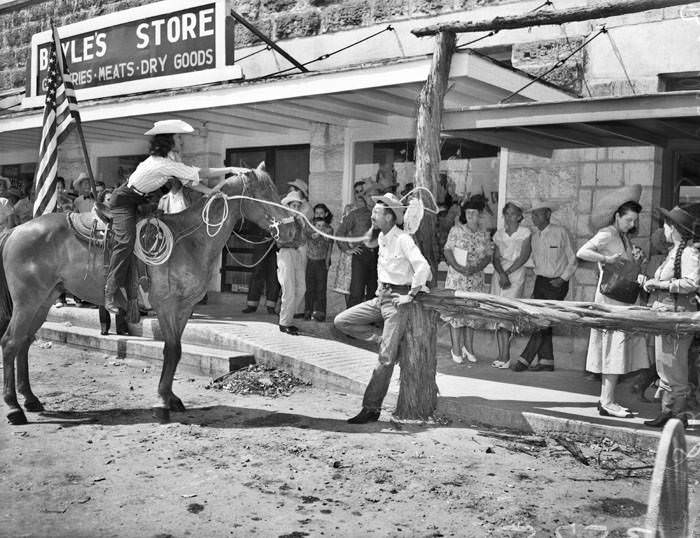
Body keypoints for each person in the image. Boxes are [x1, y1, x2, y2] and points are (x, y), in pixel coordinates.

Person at [104, 119, 240, 314]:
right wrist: (229, 169)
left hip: (139, 200)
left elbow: (189, 182)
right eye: (178, 137)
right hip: (124, 200)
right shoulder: (162, 164)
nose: (181, 141)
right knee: (126, 241)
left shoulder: (168, 163)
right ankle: (110, 290)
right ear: (169, 140)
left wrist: (211, 192)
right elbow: (199, 173)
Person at [334, 193, 431, 424]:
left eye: (377, 212)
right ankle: (388, 344)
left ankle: (371, 408)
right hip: (381, 297)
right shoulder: (382, 237)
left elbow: (422, 266)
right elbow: (373, 252)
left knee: (384, 360)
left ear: (389, 216)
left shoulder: (403, 239)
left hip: (398, 301)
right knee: (342, 321)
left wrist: (411, 295)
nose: (372, 215)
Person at [576, 185, 649, 418]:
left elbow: (624, 267)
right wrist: (605, 258)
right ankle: (607, 401)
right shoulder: (608, 233)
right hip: (610, 301)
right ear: (617, 215)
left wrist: (636, 259)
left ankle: (607, 400)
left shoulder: (623, 237)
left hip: (621, 301)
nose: (632, 225)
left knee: (615, 351)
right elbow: (582, 252)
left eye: (634, 221)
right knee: (612, 351)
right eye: (628, 220)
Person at [642, 204, 700, 428]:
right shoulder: (674, 252)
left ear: (674, 228)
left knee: (674, 367)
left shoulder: (688, 253)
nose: (664, 228)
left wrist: (660, 284)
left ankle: (678, 415)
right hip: (665, 315)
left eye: (666, 224)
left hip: (677, 317)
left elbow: (692, 283)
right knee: (665, 366)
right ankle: (668, 412)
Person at [513, 200, 577, 372]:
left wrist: (563, 279)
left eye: (537, 213)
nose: (534, 217)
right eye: (532, 214)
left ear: (548, 214)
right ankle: (546, 361)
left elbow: (573, 259)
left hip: (557, 283)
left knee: (543, 321)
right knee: (542, 321)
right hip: (540, 282)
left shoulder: (561, 232)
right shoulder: (534, 237)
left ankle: (524, 359)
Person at [442, 196, 493, 364]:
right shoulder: (456, 230)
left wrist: (476, 268)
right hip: (458, 278)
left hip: (475, 278)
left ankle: (468, 348)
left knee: (471, 314)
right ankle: (456, 348)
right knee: (456, 315)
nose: (471, 216)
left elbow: (487, 256)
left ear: (480, 215)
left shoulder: (484, 234)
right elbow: (448, 250)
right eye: (468, 212)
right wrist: (458, 267)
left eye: (474, 213)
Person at [490, 201, 532, 368]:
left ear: (520, 216)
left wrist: (507, 274)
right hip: (500, 275)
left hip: (515, 274)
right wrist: (501, 273)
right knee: (498, 314)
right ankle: (501, 355)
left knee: (508, 314)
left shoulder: (525, 232)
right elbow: (495, 257)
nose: (509, 217)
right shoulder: (499, 234)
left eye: (513, 214)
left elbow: (524, 257)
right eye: (506, 213)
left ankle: (506, 356)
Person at [335, 182, 383, 307]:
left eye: (375, 196)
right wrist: (347, 249)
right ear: (365, 198)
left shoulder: (385, 214)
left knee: (374, 291)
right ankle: (350, 322)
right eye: (369, 196)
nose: (371, 199)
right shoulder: (355, 214)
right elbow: (340, 232)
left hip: (380, 256)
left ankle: (371, 320)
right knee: (356, 290)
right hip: (361, 254)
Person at [277, 190, 307, 335]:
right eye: (293, 205)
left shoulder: (298, 221)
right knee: (288, 288)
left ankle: (288, 319)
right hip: (285, 253)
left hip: (296, 253)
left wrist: (300, 224)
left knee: (301, 288)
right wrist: (291, 220)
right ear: (288, 205)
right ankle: (284, 322)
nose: (296, 208)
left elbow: (302, 240)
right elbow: (284, 238)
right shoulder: (282, 220)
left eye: (297, 205)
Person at [241, 221, 280, 315]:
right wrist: (261, 235)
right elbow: (251, 225)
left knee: (274, 275)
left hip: (276, 245)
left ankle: (271, 306)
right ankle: (251, 305)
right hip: (261, 242)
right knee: (257, 273)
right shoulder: (260, 208)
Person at [304, 203, 334, 321]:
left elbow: (330, 247)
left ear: (326, 214)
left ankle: (320, 312)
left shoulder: (329, 229)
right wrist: (314, 234)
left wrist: (327, 262)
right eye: (317, 213)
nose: (319, 215)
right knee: (310, 287)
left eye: (321, 213)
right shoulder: (310, 227)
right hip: (311, 261)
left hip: (322, 262)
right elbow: (307, 235)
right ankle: (308, 311)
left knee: (321, 288)